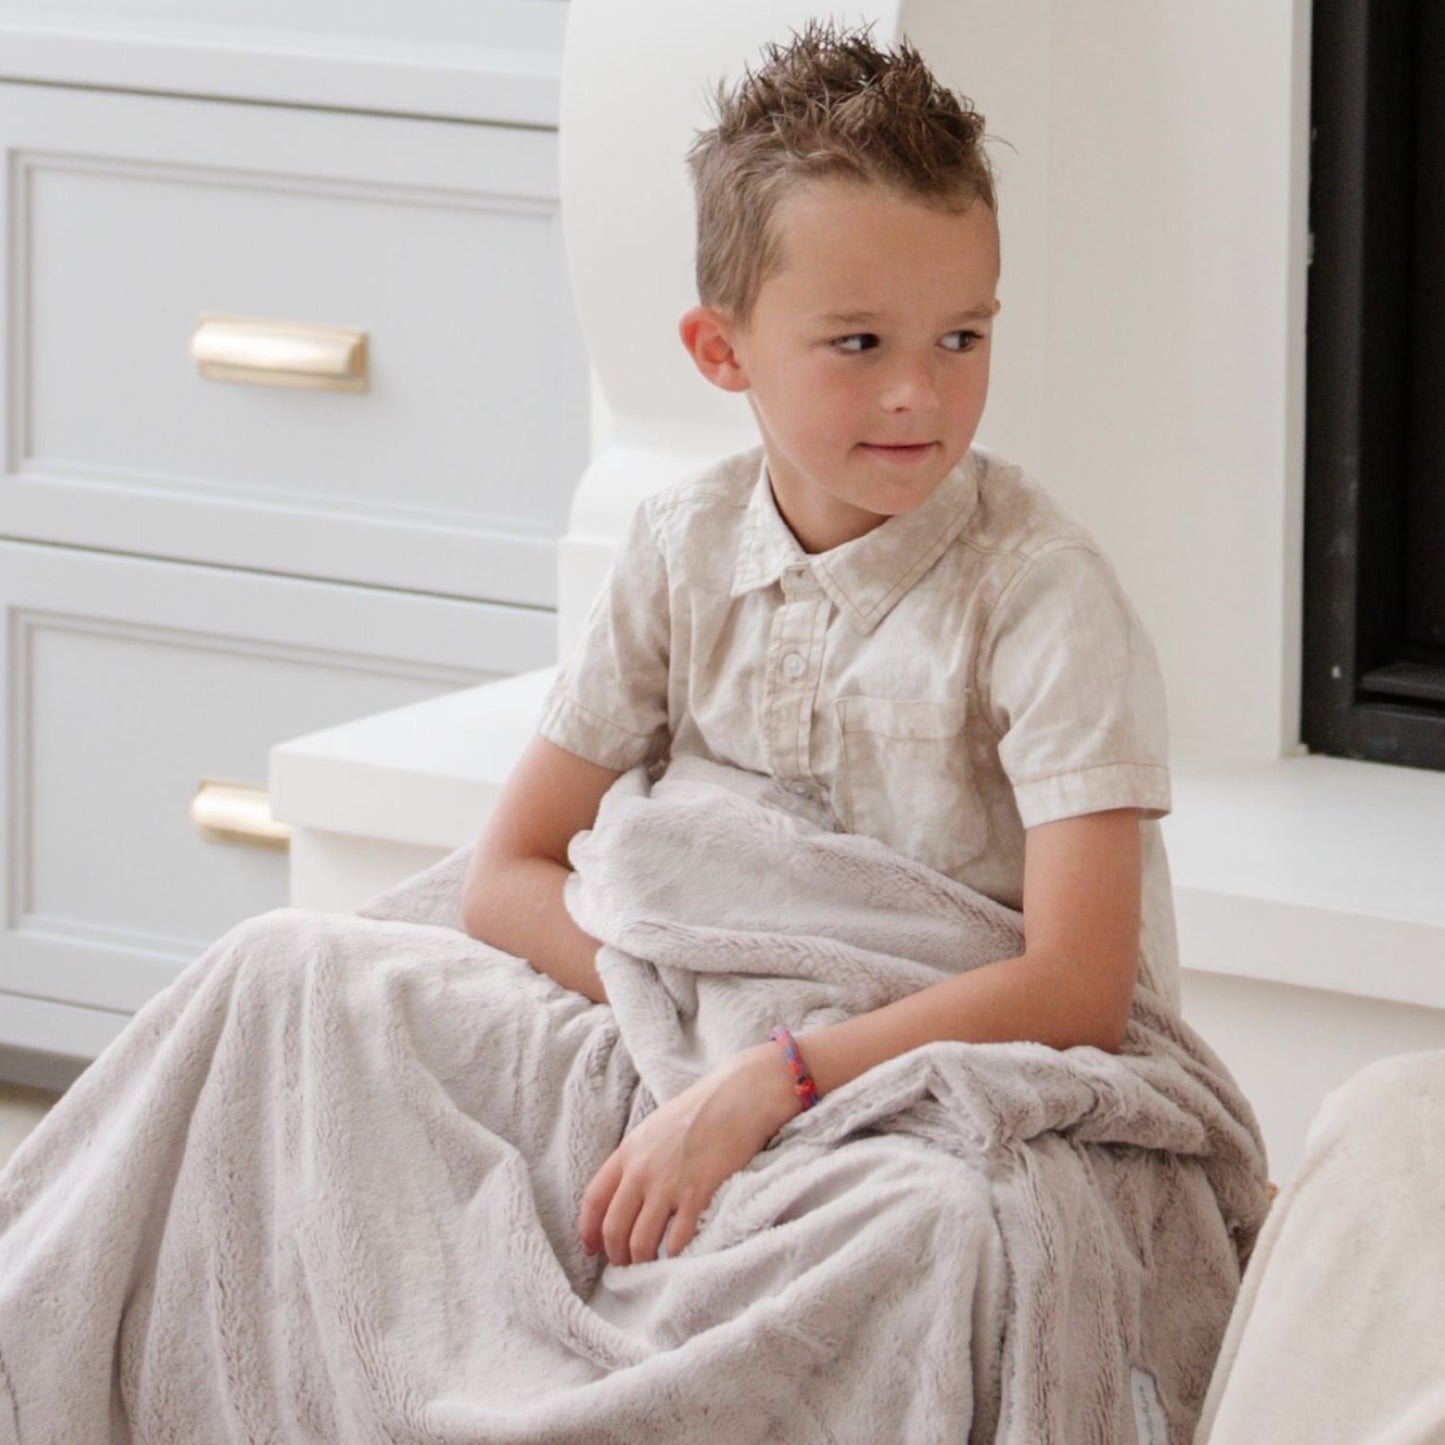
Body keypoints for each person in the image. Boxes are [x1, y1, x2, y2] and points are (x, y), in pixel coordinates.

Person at [460, 21, 1177, 1273]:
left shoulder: (1041, 596)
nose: (919, 393)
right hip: (704, 1028)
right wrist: (698, 1031)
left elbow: (1078, 988)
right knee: (305, 985)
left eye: (960, 336)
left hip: (943, 1063)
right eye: (859, 343)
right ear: (719, 350)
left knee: (928, 1231)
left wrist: (772, 1076)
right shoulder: (679, 549)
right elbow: (504, 873)